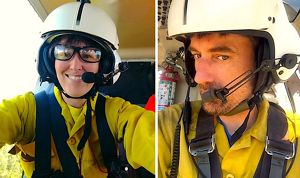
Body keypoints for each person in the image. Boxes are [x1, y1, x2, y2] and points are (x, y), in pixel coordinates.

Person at [0, 1, 154, 178]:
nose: (75, 65)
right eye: (64, 52)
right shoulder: (25, 110)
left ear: (103, 66)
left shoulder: (118, 113)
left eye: (89, 54)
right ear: (50, 61)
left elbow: (158, 140)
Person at [158, 0, 300, 177]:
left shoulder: (296, 138)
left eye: (222, 57)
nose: (199, 77)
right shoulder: (169, 127)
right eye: (196, 55)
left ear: (267, 62)